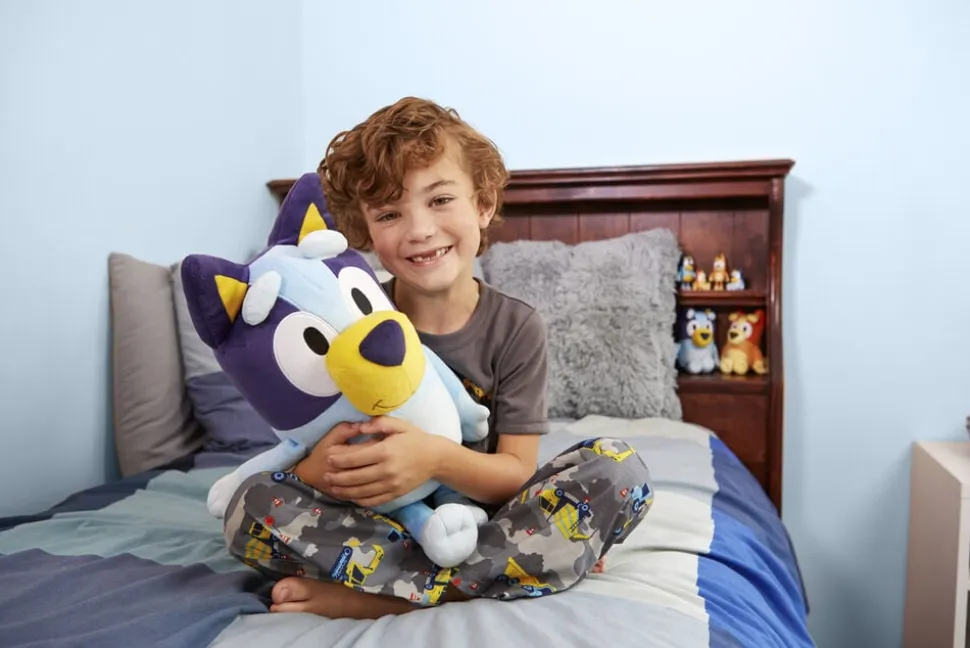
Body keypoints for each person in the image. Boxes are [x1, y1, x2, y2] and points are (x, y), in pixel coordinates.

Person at [221, 97, 654, 619]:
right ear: (364, 230)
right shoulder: (347, 315)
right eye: (389, 213)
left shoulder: (516, 327)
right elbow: (302, 451)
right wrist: (321, 470)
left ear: (483, 204)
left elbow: (515, 474)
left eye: (441, 199)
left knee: (617, 469)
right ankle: (507, 572)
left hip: (480, 519)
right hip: (375, 523)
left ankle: (386, 596)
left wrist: (433, 459)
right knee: (247, 506)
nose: (419, 229)